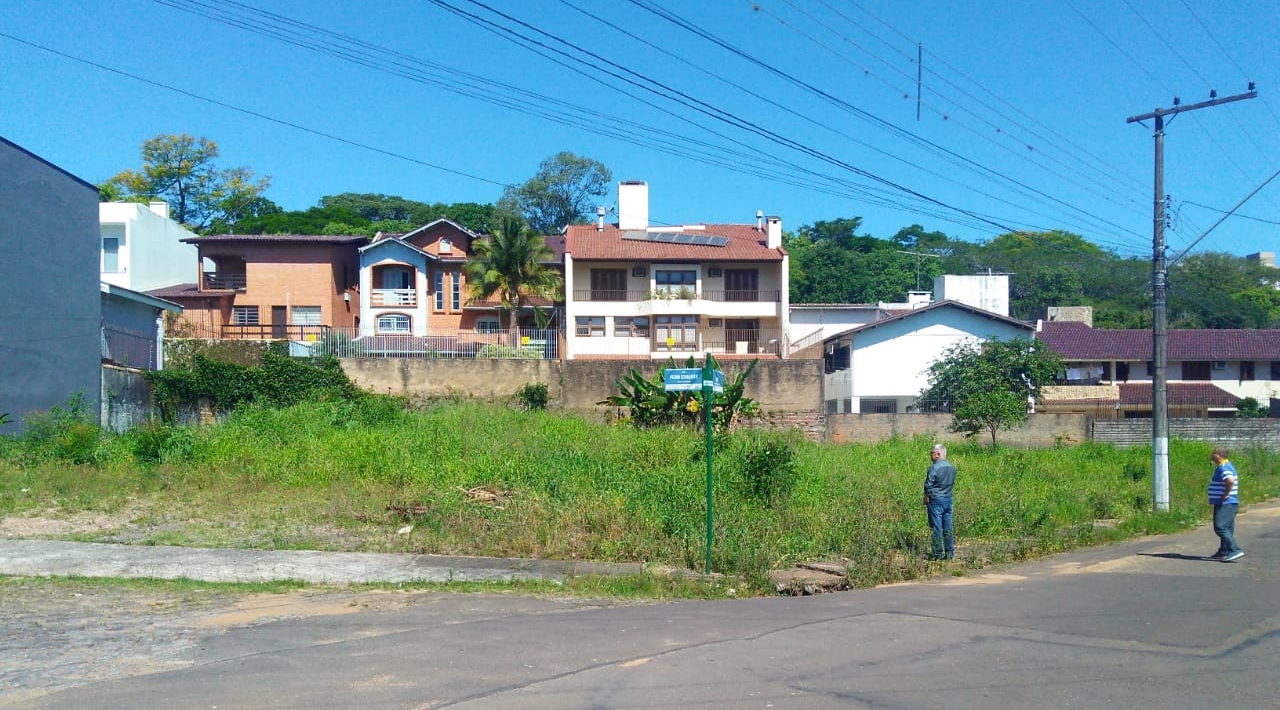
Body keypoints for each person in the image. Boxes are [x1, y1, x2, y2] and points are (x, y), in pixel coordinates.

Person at [1207, 446, 1244, 562]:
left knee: (1220, 526)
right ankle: (1224, 551)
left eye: (1214, 453)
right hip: (1228, 503)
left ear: (1219, 455)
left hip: (1226, 503)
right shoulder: (1224, 466)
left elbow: (1230, 480)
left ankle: (1234, 550)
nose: (1212, 455)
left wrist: (1225, 495)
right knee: (1227, 527)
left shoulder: (1224, 467)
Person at [923, 443, 956, 560]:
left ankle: (937, 553)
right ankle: (949, 552)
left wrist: (926, 496)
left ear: (938, 454)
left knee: (936, 527)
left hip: (936, 500)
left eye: (931, 453)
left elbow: (928, 485)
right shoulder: (952, 467)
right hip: (948, 499)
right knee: (947, 527)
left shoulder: (934, 468)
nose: (930, 455)